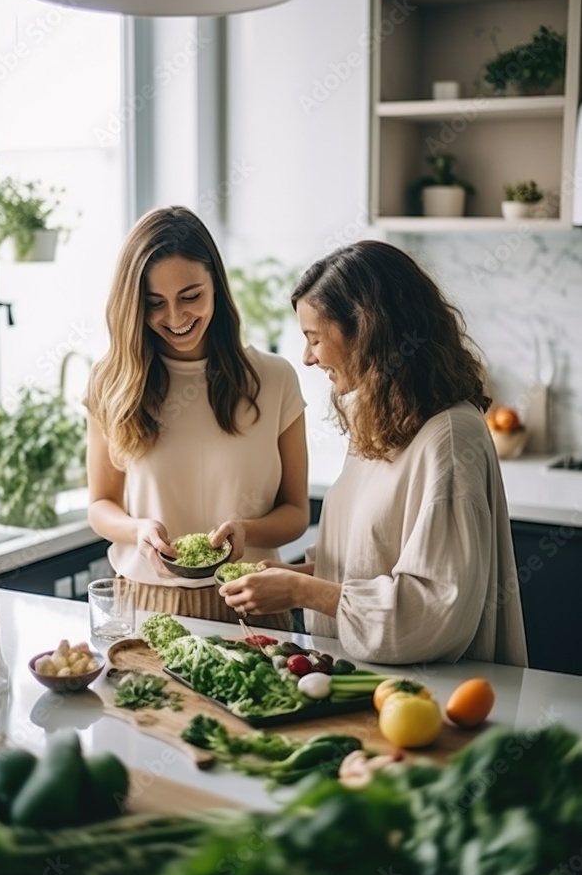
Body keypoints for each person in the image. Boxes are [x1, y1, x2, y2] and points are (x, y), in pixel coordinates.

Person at [220, 240, 528, 666]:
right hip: (366, 685)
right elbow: (365, 571)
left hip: (430, 700)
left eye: (315, 339)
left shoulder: (451, 438)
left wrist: (298, 591)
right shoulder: (382, 420)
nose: (307, 358)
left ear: (366, 332)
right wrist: (285, 577)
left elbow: (434, 605)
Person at [84, 205, 309, 627]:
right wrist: (138, 531)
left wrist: (247, 532)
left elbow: (296, 511)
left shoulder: (274, 379)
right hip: (146, 605)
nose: (176, 317)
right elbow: (100, 504)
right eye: (154, 303)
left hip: (252, 598)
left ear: (216, 287)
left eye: (191, 296)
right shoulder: (110, 380)